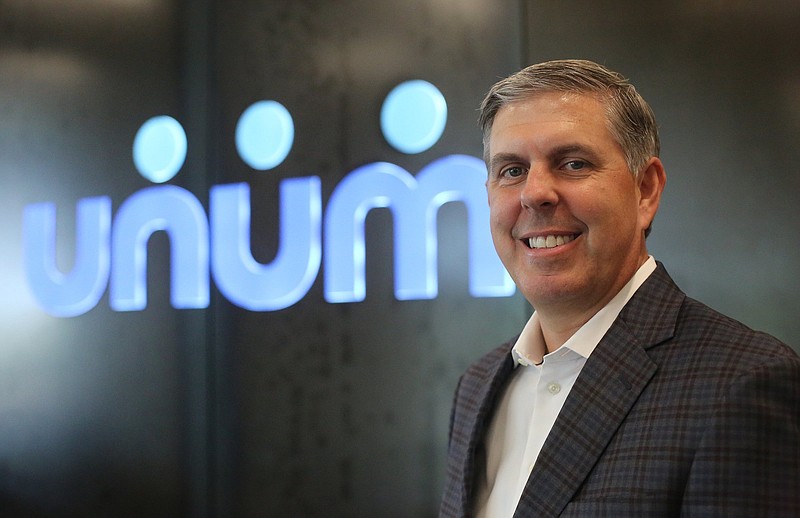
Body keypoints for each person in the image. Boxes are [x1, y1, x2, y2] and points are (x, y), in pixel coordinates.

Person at [439, 59, 800, 517]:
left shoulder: (742, 382)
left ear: (645, 190)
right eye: (512, 170)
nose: (535, 193)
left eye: (573, 163)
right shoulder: (477, 387)